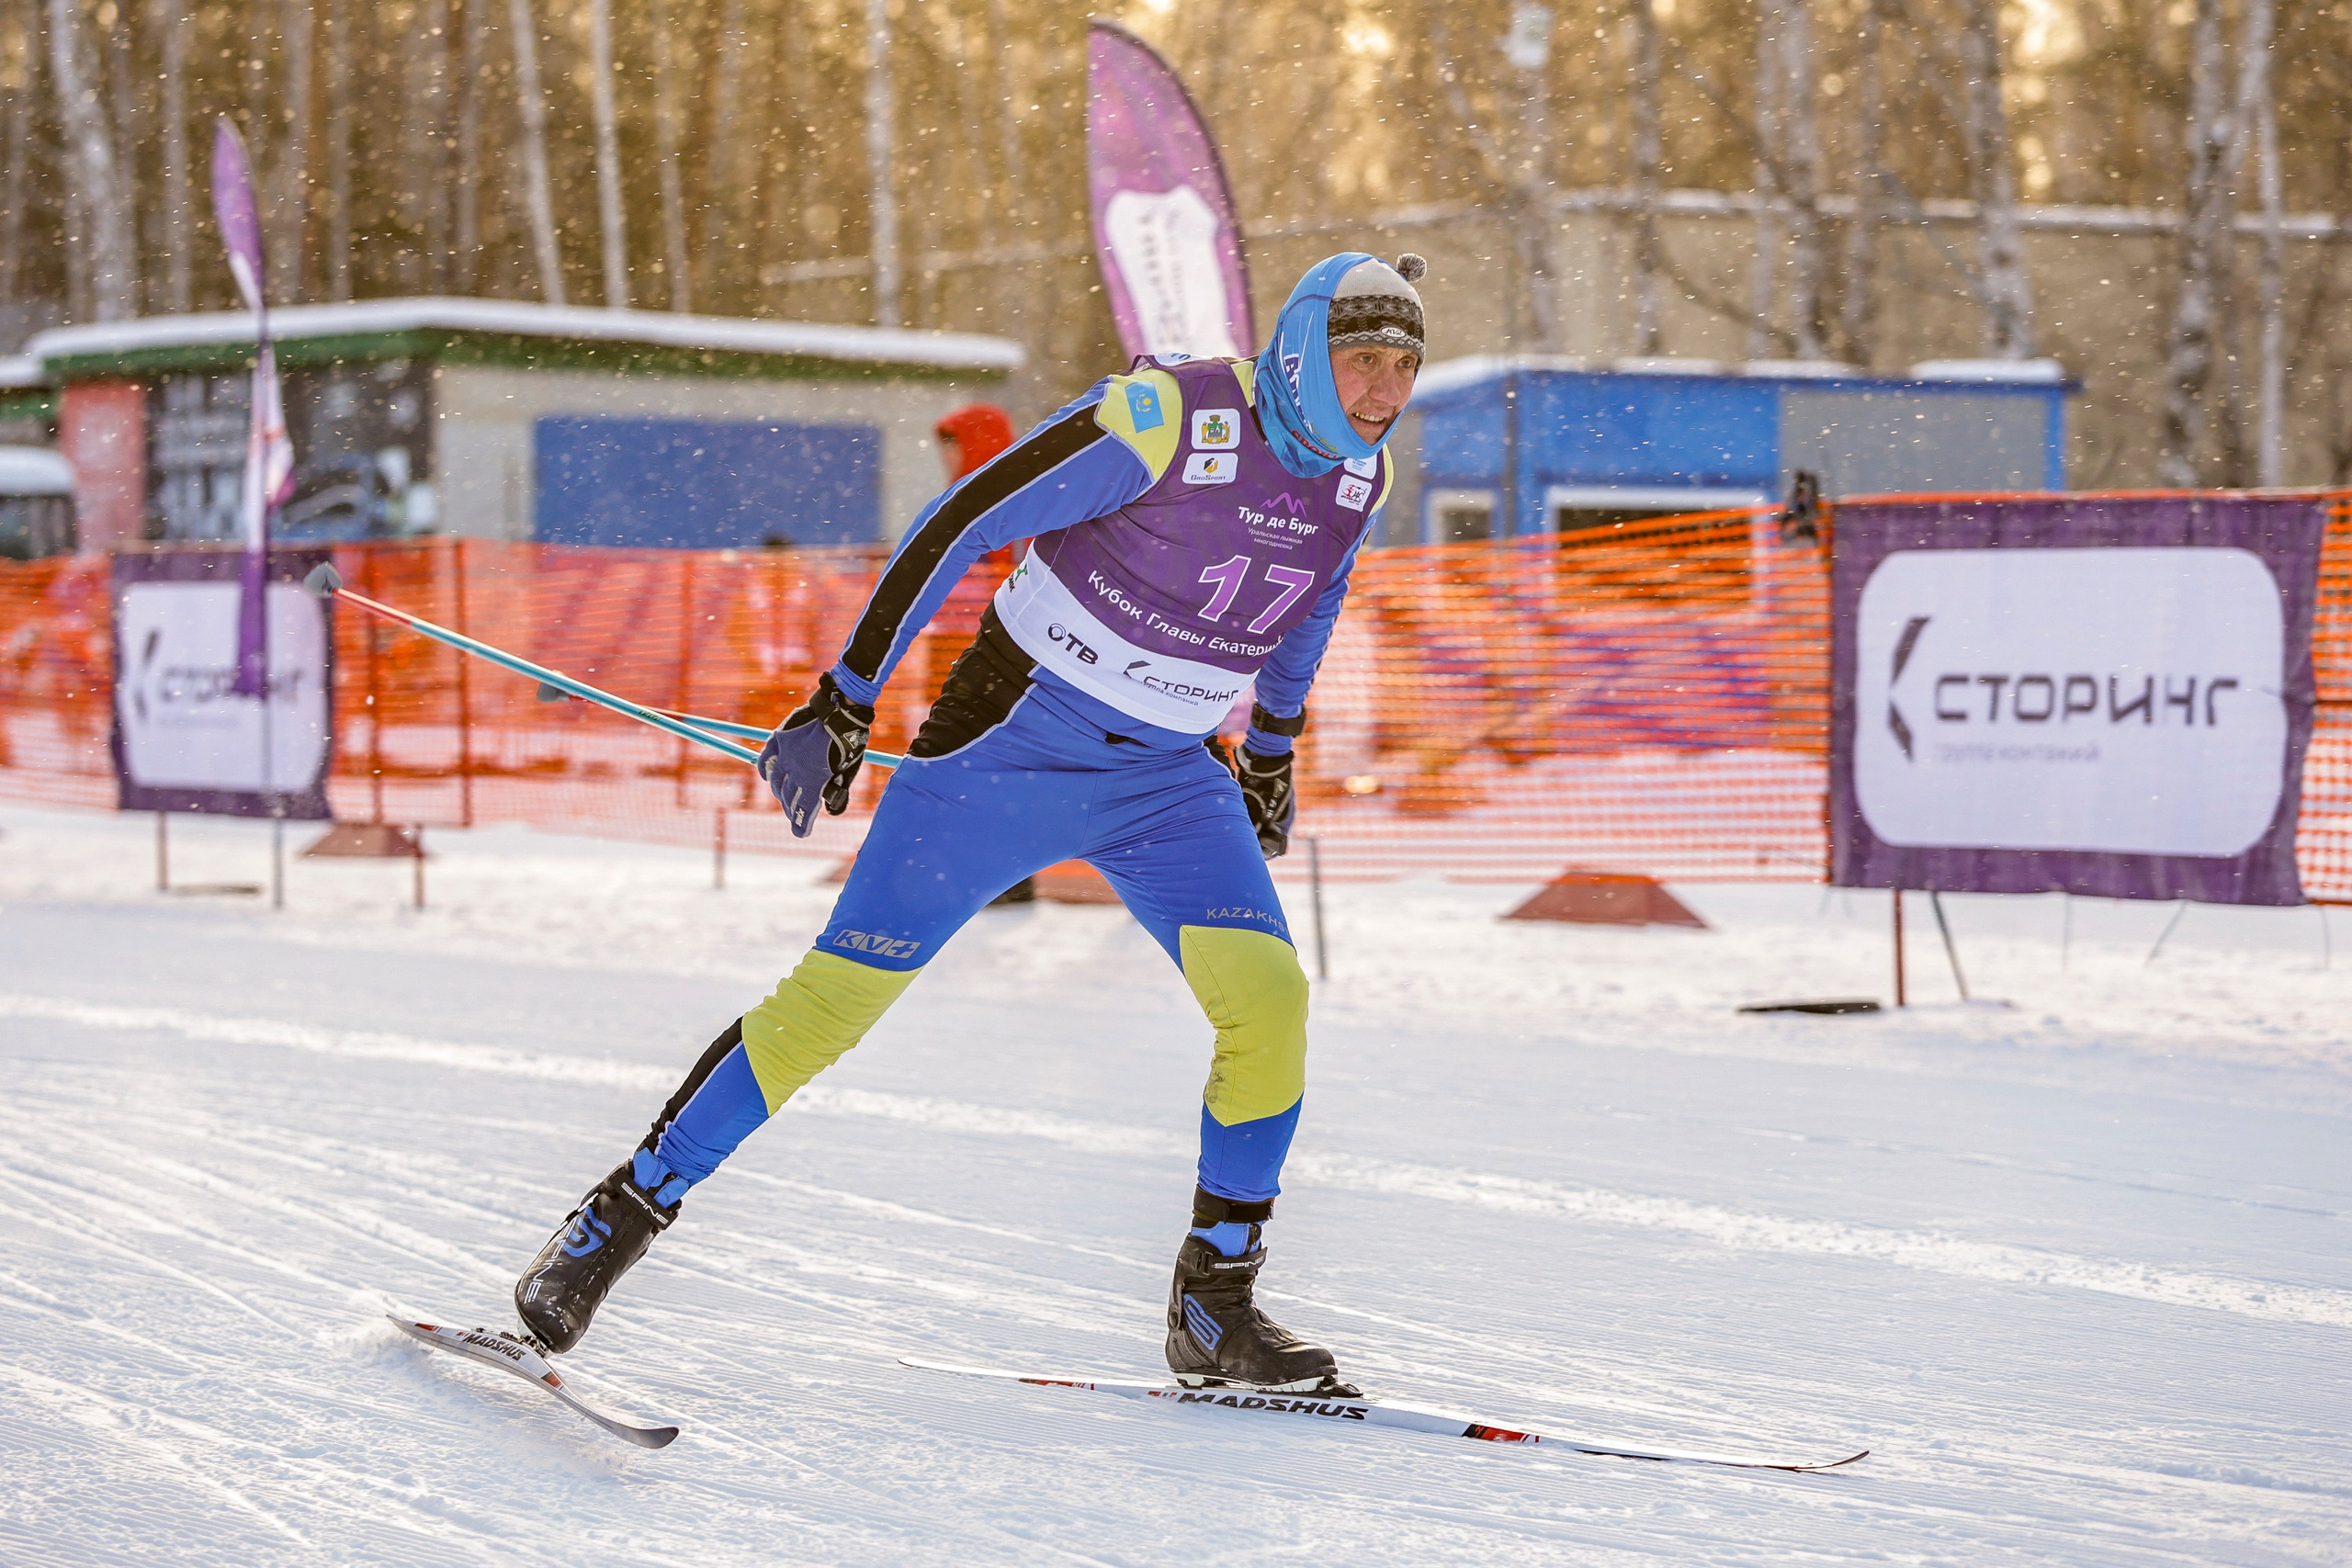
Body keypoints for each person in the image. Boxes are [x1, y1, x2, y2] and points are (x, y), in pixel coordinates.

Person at [513, 252, 1429, 1395]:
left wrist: (1275, 751)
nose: (1382, 392)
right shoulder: (1165, 417)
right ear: (1298, 351)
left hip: (1167, 778)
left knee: (1270, 1000)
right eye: (1360, 360)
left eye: (1403, 367)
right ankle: (617, 1218)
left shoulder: (1358, 477)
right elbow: (960, 518)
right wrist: (845, 697)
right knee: (828, 1009)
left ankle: (1215, 1305)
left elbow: (1313, 604)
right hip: (1008, 747)